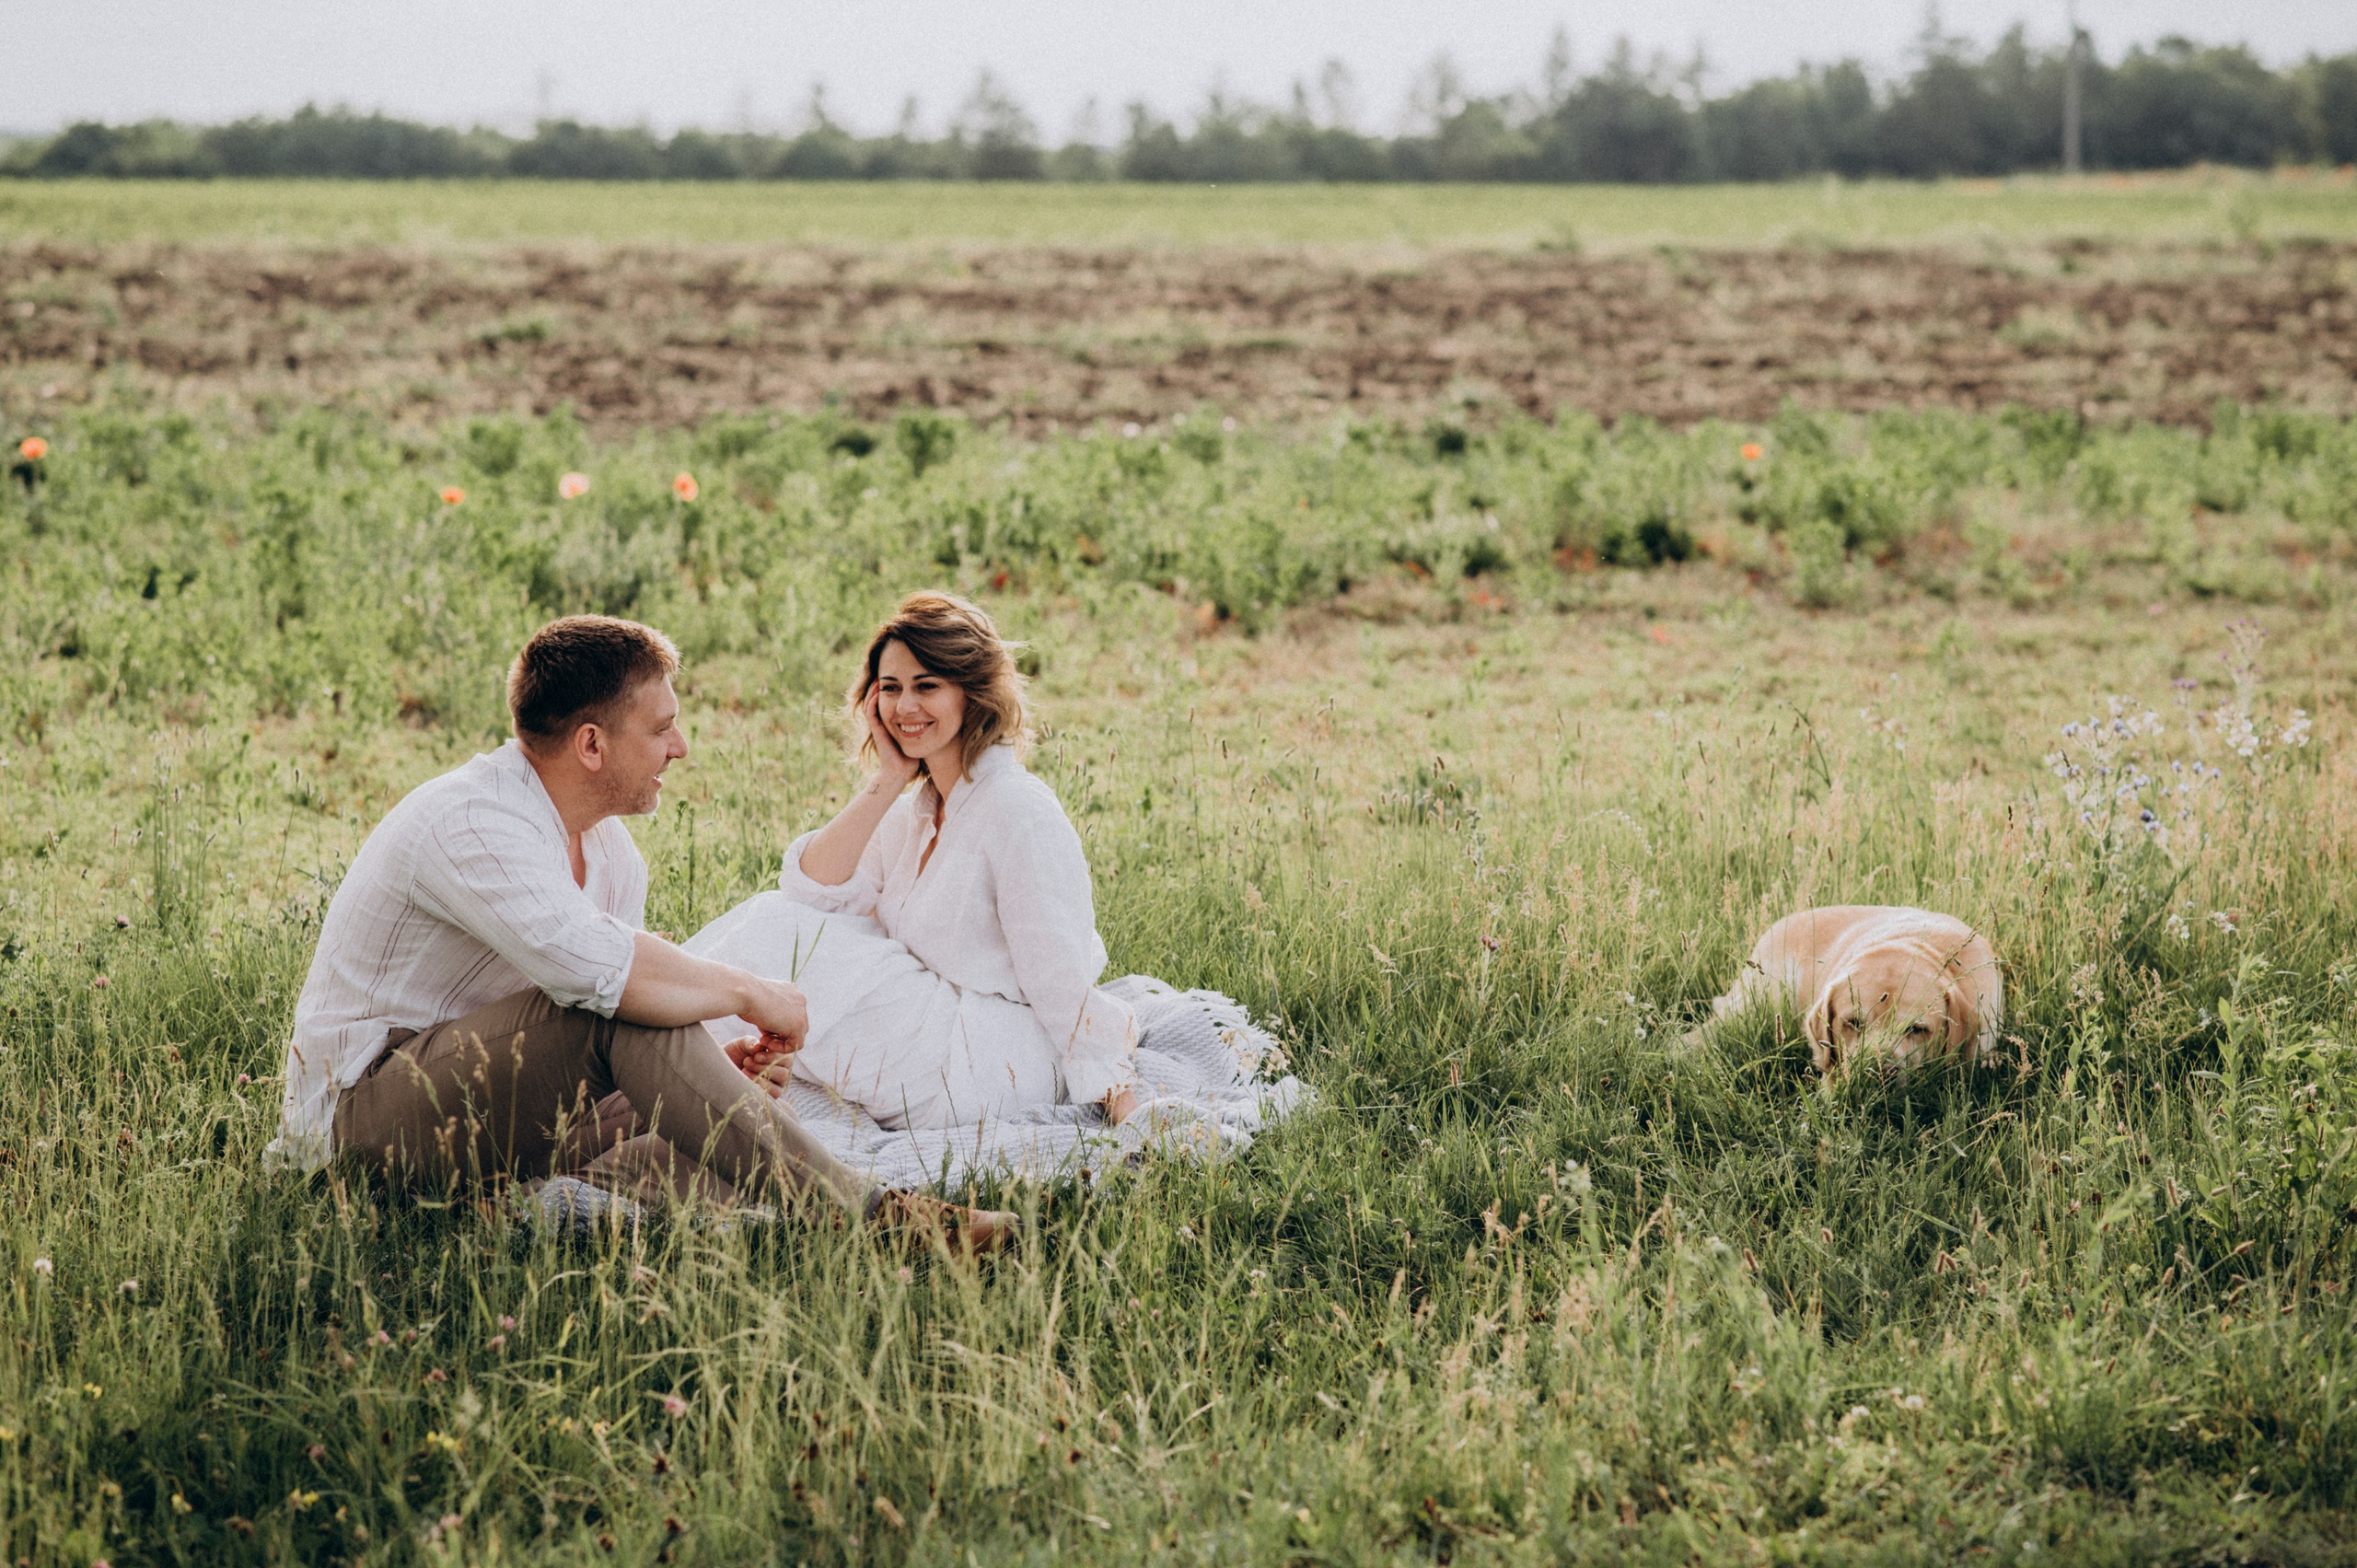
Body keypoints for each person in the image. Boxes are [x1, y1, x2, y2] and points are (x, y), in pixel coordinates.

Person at [262, 613, 1015, 1252]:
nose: (680, 747)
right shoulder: (471, 822)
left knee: (718, 1142)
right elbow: (602, 981)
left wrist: (710, 1080)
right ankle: (879, 1221)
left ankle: (806, 1229)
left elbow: (612, 1032)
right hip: (360, 1121)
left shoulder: (611, 854)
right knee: (620, 1011)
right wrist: (756, 994)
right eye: (662, 728)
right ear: (592, 745)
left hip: (494, 1113)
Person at [693, 591, 1141, 1129]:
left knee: (775, 935)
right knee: (773, 923)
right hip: (933, 1035)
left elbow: (1061, 977)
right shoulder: (919, 812)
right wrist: (887, 779)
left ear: (972, 695)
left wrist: (1120, 1099)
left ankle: (652, 1046)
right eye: (891, 689)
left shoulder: (1017, 810)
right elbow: (811, 891)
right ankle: (668, 1067)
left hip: (997, 1059)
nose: (905, 707)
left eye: (927, 686)